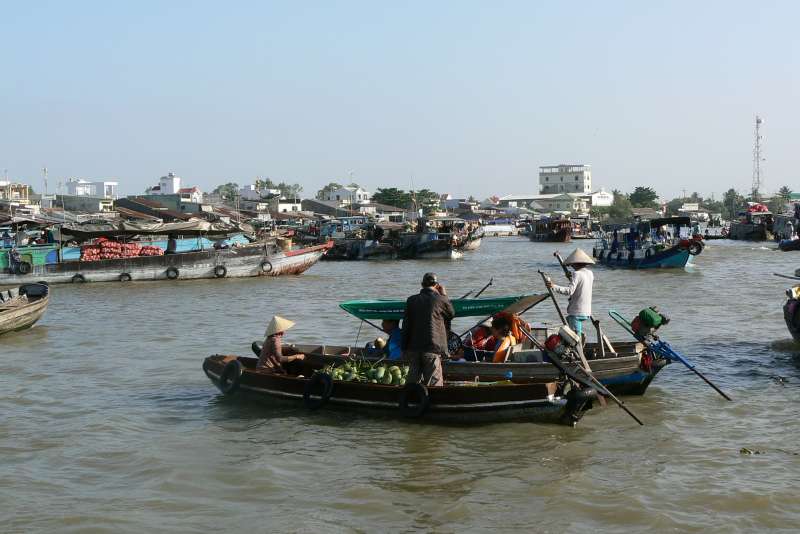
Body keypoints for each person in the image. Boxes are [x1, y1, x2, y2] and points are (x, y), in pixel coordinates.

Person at [402, 272, 455, 386]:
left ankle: (410, 401)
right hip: (432, 348)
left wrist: (404, 348)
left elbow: (405, 325)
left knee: (412, 383)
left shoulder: (411, 300)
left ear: (422, 284)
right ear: (437, 285)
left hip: (414, 348)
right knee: (434, 384)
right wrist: (444, 295)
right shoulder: (441, 300)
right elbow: (451, 313)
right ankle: (433, 402)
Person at [546, 248, 595, 338]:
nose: (571, 266)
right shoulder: (590, 273)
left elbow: (569, 291)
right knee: (567, 326)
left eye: (572, 264)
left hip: (577, 312)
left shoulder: (576, 274)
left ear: (575, 263)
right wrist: (572, 277)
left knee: (575, 338)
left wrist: (553, 286)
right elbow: (581, 286)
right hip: (586, 311)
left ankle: (579, 348)